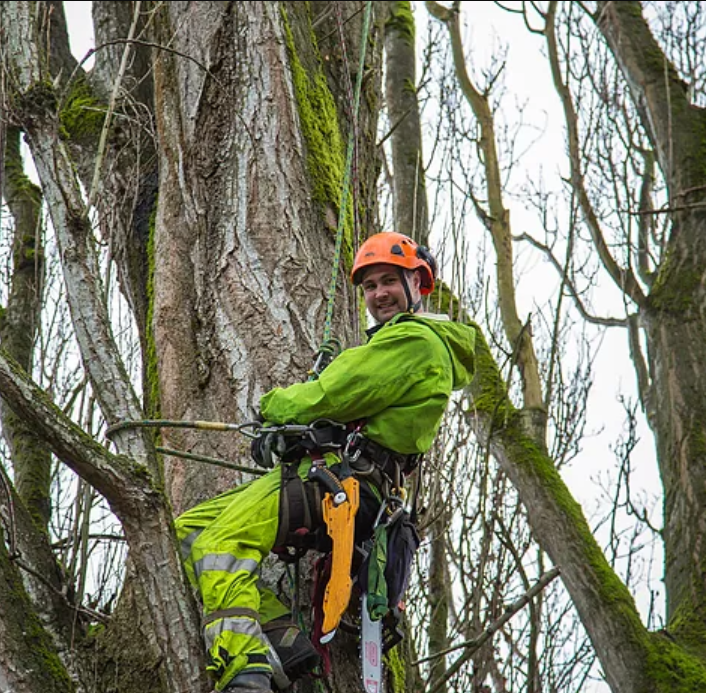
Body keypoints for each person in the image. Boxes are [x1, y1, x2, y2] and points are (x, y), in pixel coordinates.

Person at [175, 231, 477, 692]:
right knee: (189, 529)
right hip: (328, 476)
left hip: (342, 484)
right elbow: (343, 403)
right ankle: (283, 639)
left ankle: (246, 667)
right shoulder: (396, 345)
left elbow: (329, 395)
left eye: (389, 281)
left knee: (224, 540)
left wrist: (273, 409)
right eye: (371, 286)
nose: (379, 294)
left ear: (418, 283)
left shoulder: (415, 342)